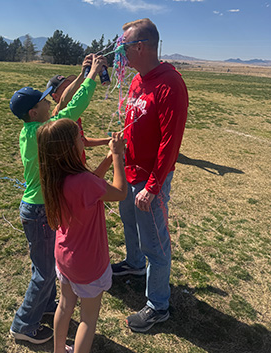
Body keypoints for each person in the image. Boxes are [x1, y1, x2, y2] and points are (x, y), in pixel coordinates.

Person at [8, 54, 108, 344]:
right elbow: (72, 109)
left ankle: (45, 306)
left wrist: (81, 74)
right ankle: (23, 325)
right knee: (43, 272)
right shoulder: (43, 131)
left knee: (46, 265)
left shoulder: (30, 131)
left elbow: (63, 104)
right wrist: (92, 77)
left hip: (36, 208)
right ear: (34, 113)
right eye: (43, 102)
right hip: (39, 211)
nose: (49, 102)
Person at [111, 18, 189, 333]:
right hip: (129, 173)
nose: (121, 54)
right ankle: (133, 265)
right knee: (130, 224)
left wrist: (153, 187)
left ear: (140, 47)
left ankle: (158, 305)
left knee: (155, 243)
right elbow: (132, 125)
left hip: (150, 181)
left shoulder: (170, 83)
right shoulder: (137, 80)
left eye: (124, 47)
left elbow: (171, 142)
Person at [37, 120, 127, 353]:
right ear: (69, 147)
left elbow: (93, 184)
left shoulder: (57, 176)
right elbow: (119, 192)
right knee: (88, 318)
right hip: (88, 263)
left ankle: (58, 350)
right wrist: (118, 156)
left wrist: (106, 159)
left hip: (65, 256)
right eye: (80, 138)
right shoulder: (85, 182)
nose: (84, 141)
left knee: (65, 306)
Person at [46, 73, 111, 159]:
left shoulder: (74, 114)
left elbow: (83, 140)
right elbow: (64, 101)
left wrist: (107, 140)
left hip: (80, 165)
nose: (72, 89)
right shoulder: (59, 116)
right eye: (66, 88)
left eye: (71, 85)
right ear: (55, 96)